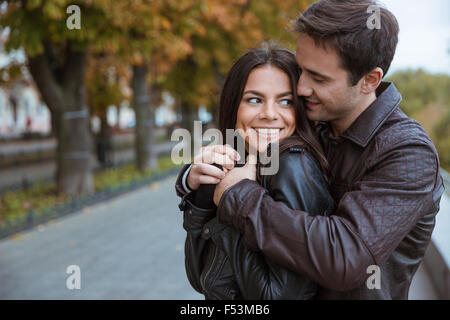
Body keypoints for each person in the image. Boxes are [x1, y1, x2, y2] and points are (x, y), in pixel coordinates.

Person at [178, 0, 445, 300]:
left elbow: (344, 257)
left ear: (369, 80)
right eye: (301, 70)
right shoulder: (311, 123)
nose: (301, 88)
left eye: (318, 78)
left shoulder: (407, 153)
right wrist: (194, 179)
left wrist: (237, 195)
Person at [176, 45, 335, 299]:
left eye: (285, 101)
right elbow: (200, 277)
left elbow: (279, 296)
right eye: (254, 99)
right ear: (233, 105)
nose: (270, 114)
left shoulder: (293, 166)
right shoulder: (238, 160)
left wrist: (234, 200)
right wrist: (199, 190)